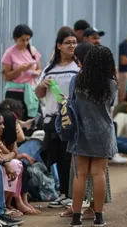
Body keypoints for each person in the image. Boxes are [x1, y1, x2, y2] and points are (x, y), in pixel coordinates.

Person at [69, 45, 118, 227]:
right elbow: (111, 103)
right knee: (98, 173)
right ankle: (98, 216)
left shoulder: (77, 80)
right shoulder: (111, 84)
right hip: (103, 132)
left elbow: (71, 101)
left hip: (81, 131)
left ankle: (76, 218)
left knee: (80, 174)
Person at [35, 29, 79, 208]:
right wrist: (42, 85)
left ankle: (72, 193)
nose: (72, 46)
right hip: (53, 119)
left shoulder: (77, 67)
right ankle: (62, 192)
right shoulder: (49, 69)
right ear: (59, 46)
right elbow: (39, 94)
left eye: (74, 42)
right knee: (57, 155)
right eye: (68, 42)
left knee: (69, 156)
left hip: (71, 118)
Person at [2, 24, 42, 122]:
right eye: (22, 40)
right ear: (16, 38)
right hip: (15, 92)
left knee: (35, 120)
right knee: (16, 120)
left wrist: (36, 73)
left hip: (31, 91)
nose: (25, 43)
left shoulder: (32, 50)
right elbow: (6, 77)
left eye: (27, 40)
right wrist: (19, 70)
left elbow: (39, 69)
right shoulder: (10, 53)